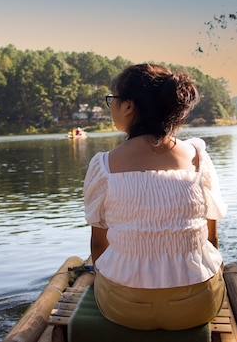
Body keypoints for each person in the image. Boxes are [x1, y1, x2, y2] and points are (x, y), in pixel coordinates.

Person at [83, 63, 227, 331]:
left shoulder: (104, 166)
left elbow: (99, 247)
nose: (110, 106)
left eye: (112, 100)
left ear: (128, 106)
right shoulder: (198, 158)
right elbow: (211, 238)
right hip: (197, 304)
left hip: (125, 306)